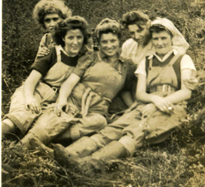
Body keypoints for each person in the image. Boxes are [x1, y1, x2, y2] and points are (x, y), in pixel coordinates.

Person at [53, 17, 196, 169]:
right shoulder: (146, 61)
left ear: (171, 38)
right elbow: (140, 93)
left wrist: (158, 104)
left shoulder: (183, 59)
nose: (160, 43)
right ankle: (68, 154)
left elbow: (186, 92)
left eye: (163, 38)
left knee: (138, 131)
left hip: (171, 106)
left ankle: (89, 165)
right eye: (156, 39)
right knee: (113, 128)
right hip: (146, 103)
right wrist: (154, 100)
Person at [18, 19, 135, 150]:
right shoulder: (91, 56)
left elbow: (125, 91)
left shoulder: (127, 65)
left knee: (99, 122)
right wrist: (62, 100)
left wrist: (133, 109)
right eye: (104, 42)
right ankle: (22, 146)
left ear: (119, 40)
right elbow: (70, 82)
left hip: (97, 110)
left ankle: (47, 142)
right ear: (99, 44)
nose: (109, 46)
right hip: (74, 101)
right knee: (59, 117)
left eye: (112, 41)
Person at [2, 16, 90, 138]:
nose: (75, 42)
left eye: (79, 37)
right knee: (21, 116)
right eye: (70, 37)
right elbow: (31, 80)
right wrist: (29, 98)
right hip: (36, 91)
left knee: (47, 125)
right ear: (63, 38)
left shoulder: (84, 58)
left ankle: (22, 145)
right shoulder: (53, 53)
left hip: (57, 99)